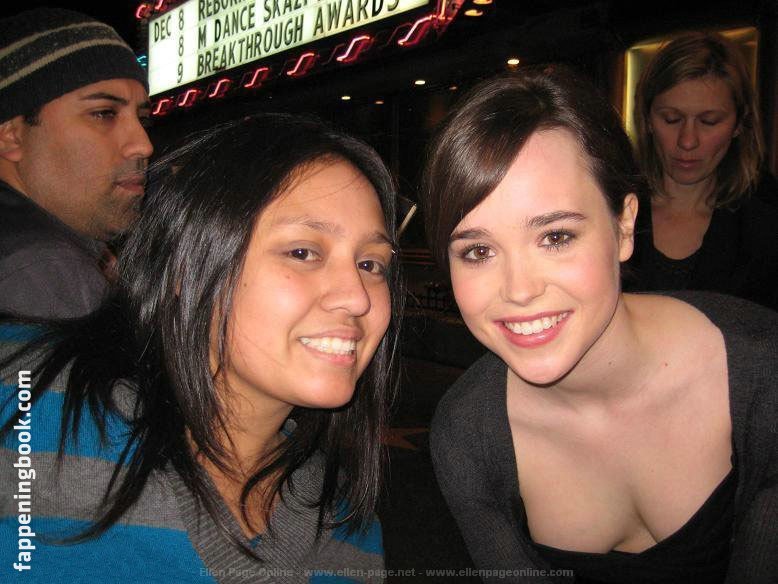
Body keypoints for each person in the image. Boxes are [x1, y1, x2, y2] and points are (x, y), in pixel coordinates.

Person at [0, 113, 402, 582]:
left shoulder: (350, 529)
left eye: (371, 264)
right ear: (185, 267)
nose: (357, 297)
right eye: (303, 252)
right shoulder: (30, 405)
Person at [422, 67, 778, 583]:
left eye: (555, 237)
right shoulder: (468, 435)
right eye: (478, 251)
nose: (519, 290)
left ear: (624, 224)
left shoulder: (763, 371)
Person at [0, 7, 153, 318]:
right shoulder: (43, 270)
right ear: (11, 136)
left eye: (142, 118)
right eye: (103, 114)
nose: (143, 145)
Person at [627, 31, 778, 310]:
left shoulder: (766, 224)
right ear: (646, 118)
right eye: (671, 119)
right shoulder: (608, 204)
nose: (687, 141)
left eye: (709, 121)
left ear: (739, 124)